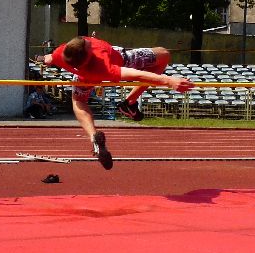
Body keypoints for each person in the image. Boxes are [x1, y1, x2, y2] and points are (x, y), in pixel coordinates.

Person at [40, 35, 193, 169]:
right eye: (88, 44)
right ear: (88, 55)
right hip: (121, 60)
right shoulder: (103, 65)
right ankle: (129, 102)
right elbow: (137, 74)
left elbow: (49, 58)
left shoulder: (62, 54)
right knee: (163, 54)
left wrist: (43, 59)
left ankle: (94, 137)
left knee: (79, 101)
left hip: (83, 76)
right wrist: (169, 81)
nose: (89, 41)